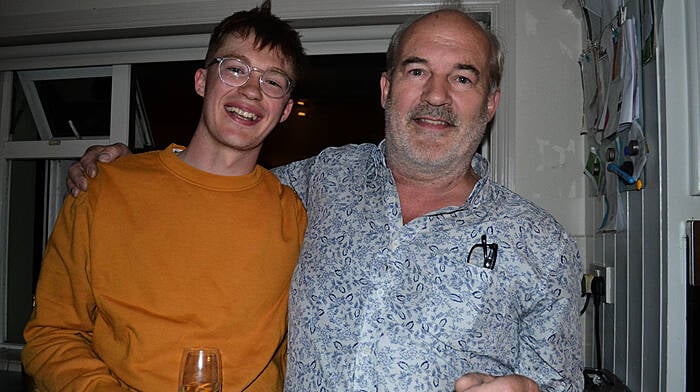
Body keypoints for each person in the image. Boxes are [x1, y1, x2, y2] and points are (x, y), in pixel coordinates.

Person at [66, 7, 583, 392]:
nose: (436, 96)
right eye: (417, 70)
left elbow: (562, 382)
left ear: (490, 103)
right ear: (386, 89)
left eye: (463, 77)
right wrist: (134, 162)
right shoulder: (321, 179)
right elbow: (221, 175)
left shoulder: (538, 242)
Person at [22, 2, 307, 391]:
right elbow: (52, 334)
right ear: (202, 81)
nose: (252, 90)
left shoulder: (295, 215)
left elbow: (299, 347)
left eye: (273, 81)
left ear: (286, 109)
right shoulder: (103, 187)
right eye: (235, 69)